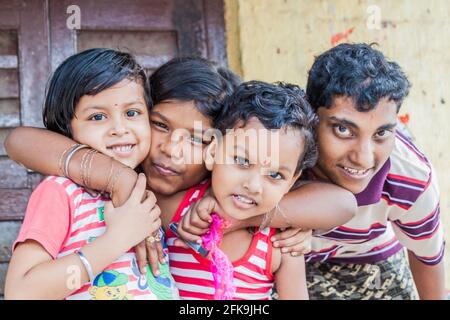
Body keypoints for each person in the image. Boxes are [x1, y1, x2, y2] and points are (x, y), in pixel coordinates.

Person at [4, 48, 172, 300]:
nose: (119, 128)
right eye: (97, 116)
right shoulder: (61, 193)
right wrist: (116, 240)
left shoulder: (153, 184)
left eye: (131, 113)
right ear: (66, 129)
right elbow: (21, 293)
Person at [166, 80, 355, 299]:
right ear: (212, 152)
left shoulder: (281, 243)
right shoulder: (176, 212)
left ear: (291, 182)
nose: (254, 186)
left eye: (275, 175)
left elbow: (345, 205)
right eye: (241, 161)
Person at [302, 43, 446, 300]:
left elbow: (426, 256)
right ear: (311, 118)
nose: (363, 158)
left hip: (368, 257)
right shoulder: (279, 152)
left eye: (381, 133)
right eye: (343, 130)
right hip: (287, 260)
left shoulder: (412, 179)